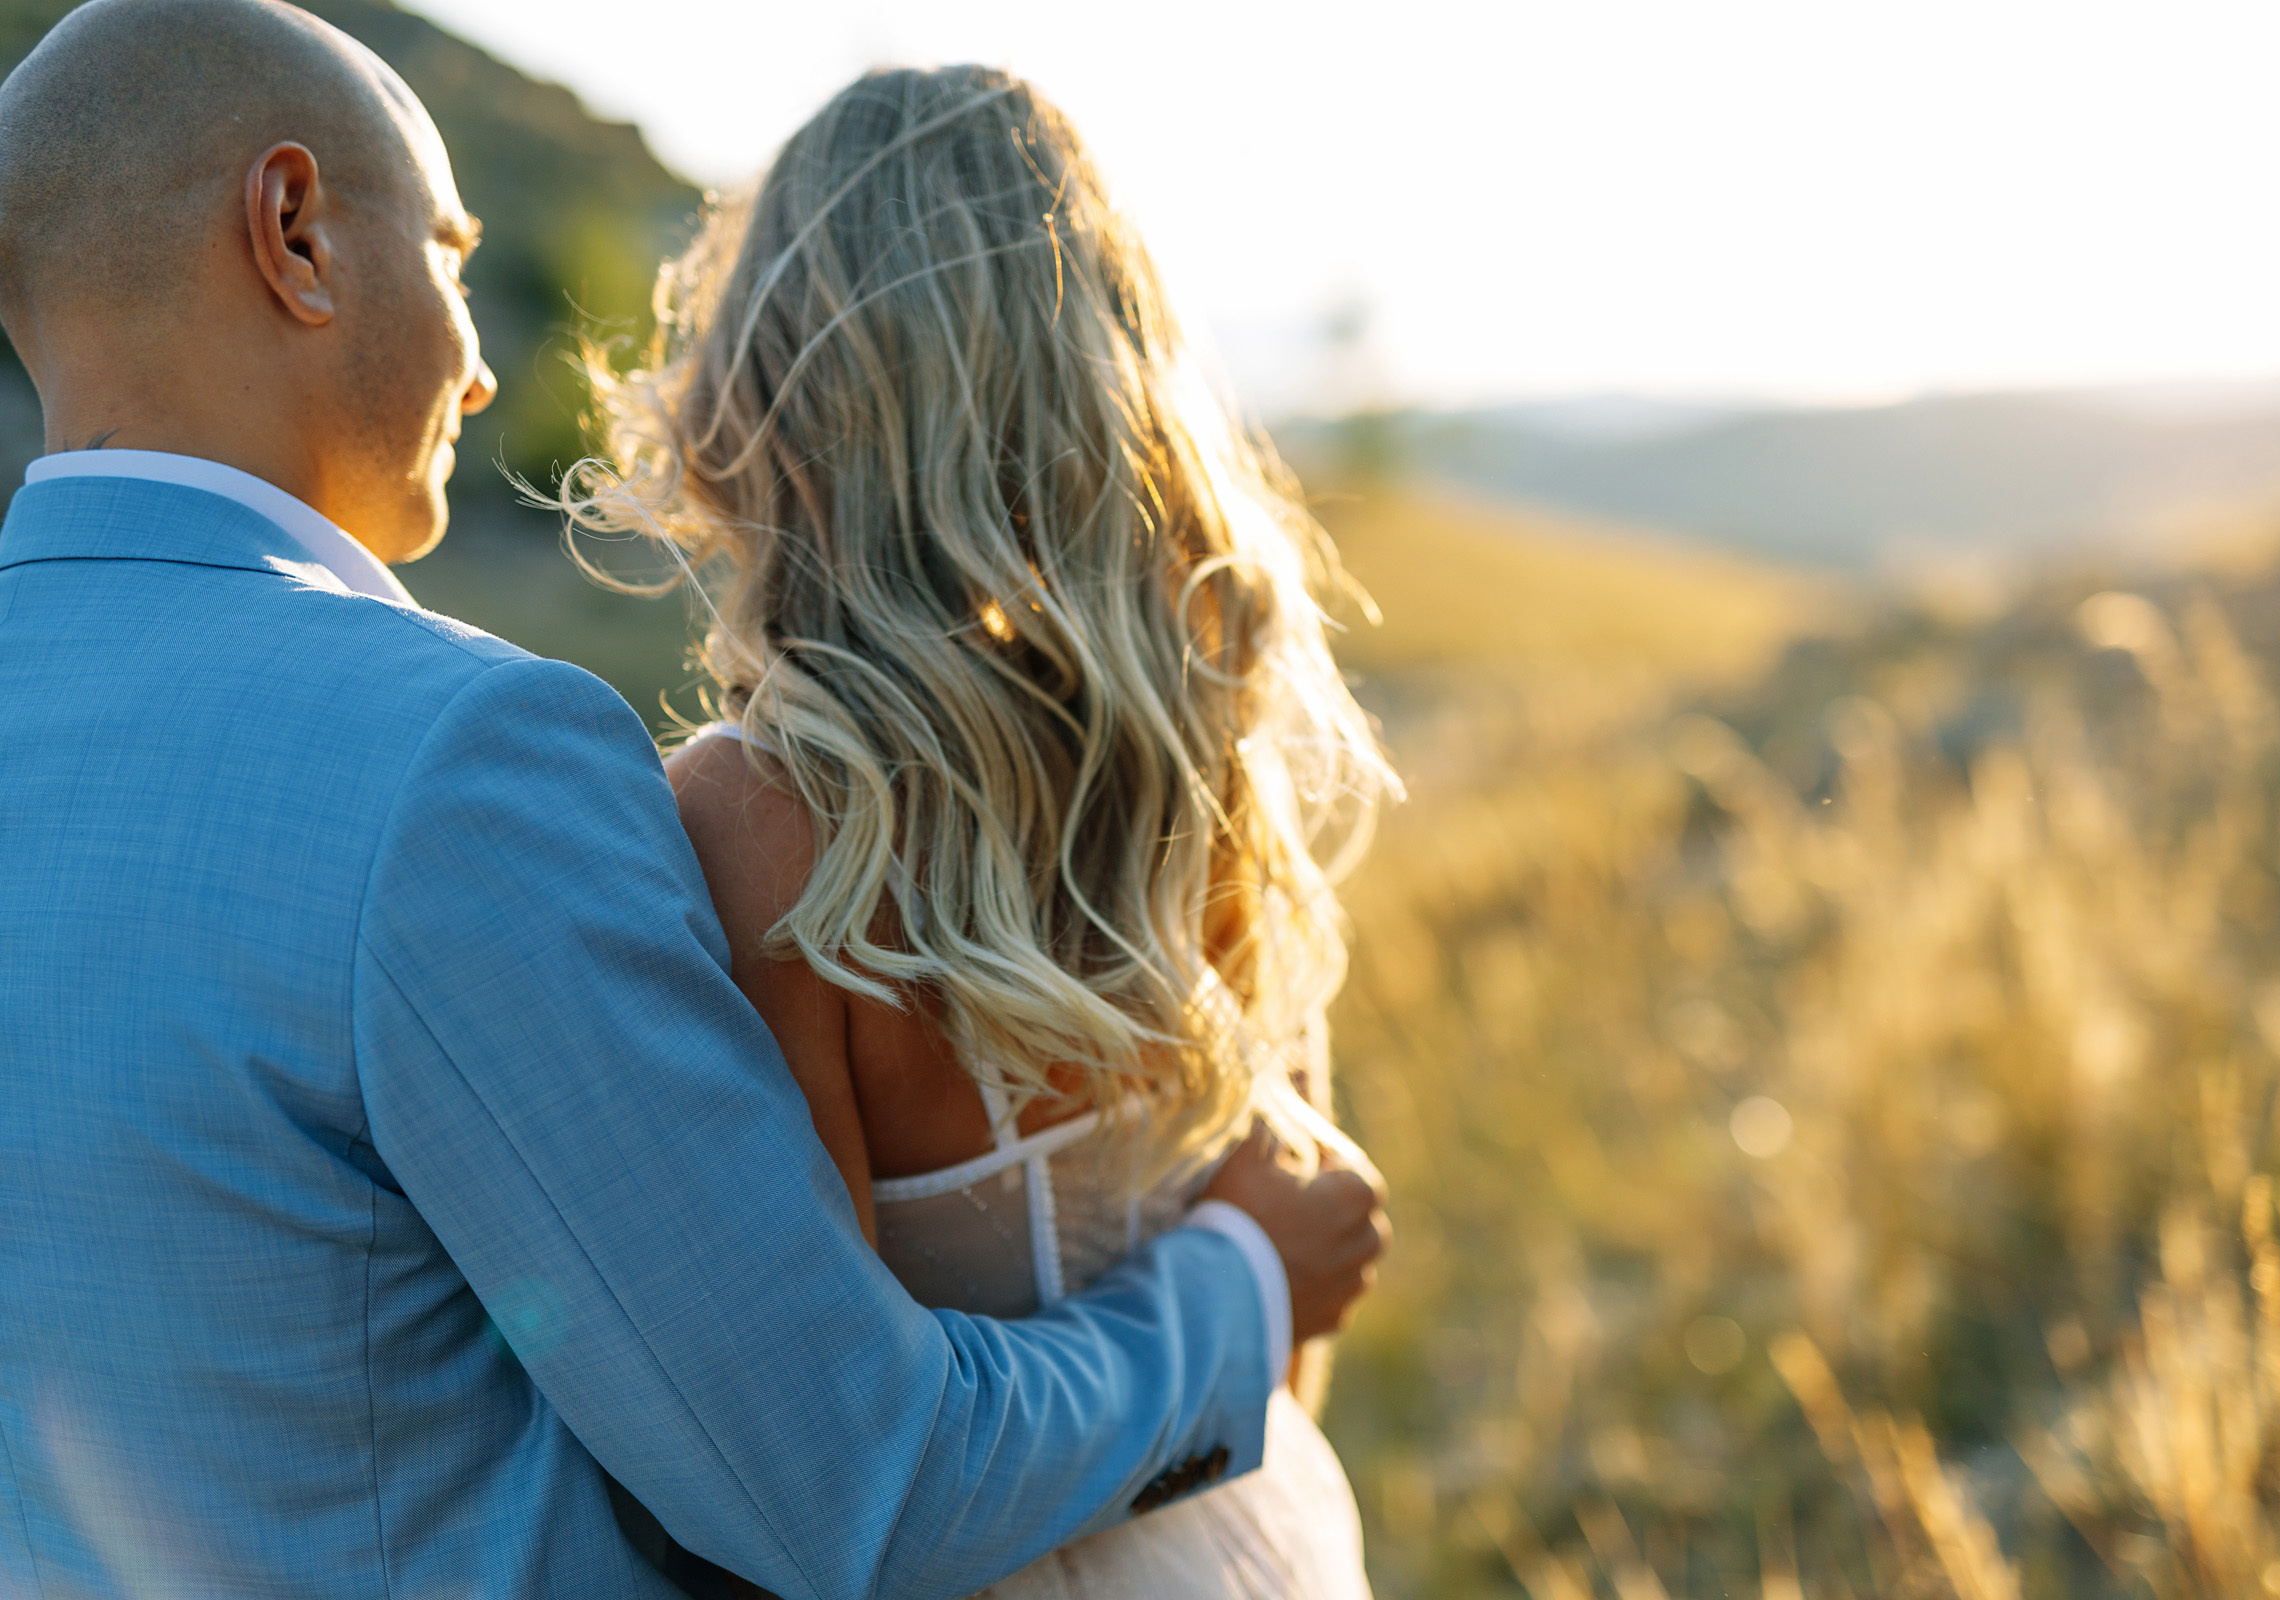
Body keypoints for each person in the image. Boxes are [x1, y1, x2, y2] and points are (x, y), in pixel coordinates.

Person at [0, 3, 1388, 1596]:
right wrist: (1245, 1290)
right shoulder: (453, 759)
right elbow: (827, 1488)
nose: (476, 362)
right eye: (454, 256)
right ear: (295, 231)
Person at [564, 66, 1402, 1597]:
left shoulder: (761, 824)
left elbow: (797, 1465)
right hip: (1255, 1545)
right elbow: (1292, 1297)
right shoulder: (1204, 719)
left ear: (772, 391)